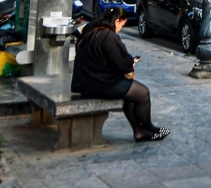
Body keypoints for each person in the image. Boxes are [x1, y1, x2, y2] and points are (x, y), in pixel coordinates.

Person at [71, 7, 170, 142]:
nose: (121, 28)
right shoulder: (108, 36)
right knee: (143, 93)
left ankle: (139, 131)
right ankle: (148, 127)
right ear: (117, 21)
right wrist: (131, 64)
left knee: (130, 95)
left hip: (86, 80)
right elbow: (120, 63)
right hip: (99, 83)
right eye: (122, 25)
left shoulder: (91, 30)